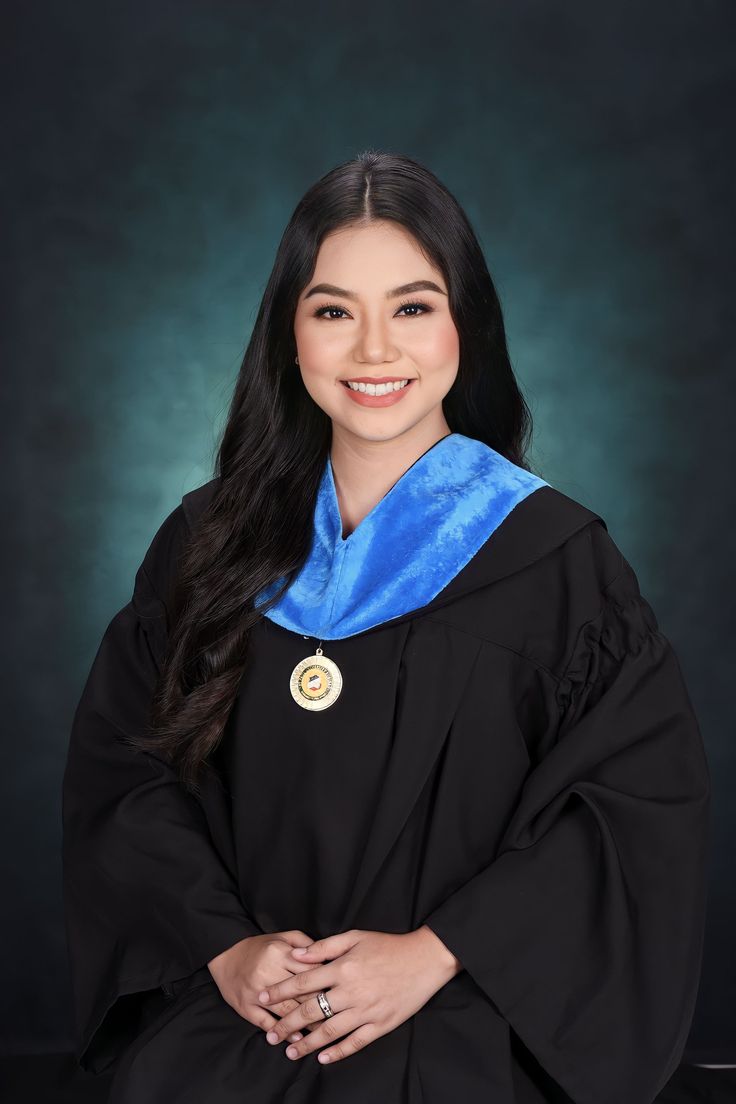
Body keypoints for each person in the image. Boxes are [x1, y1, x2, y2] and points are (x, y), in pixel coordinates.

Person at [61, 150, 711, 1104]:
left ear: (465, 328)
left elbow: (630, 816)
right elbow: (127, 775)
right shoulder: (207, 545)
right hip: (244, 1021)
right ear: (289, 335)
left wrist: (439, 953)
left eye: (412, 306)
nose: (374, 352)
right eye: (333, 311)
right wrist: (226, 947)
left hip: (465, 1030)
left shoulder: (557, 561)